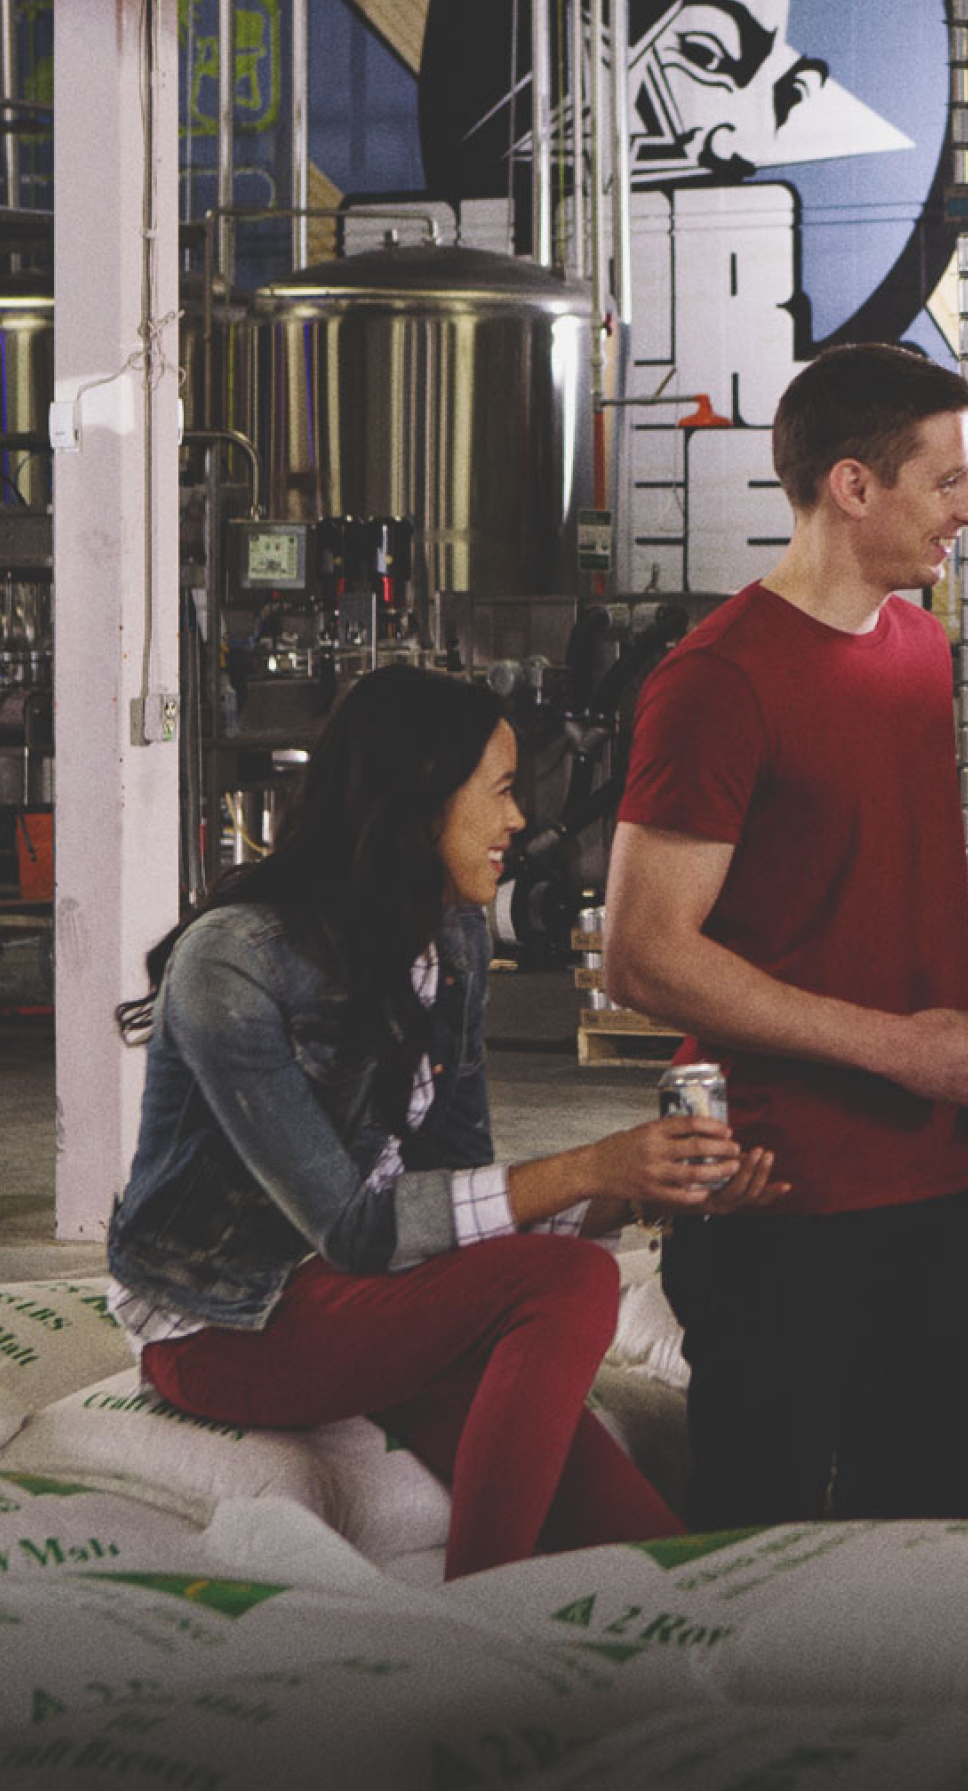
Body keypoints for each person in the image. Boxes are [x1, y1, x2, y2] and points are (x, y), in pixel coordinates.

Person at [108, 666, 783, 1580]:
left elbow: (460, 1196)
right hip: (228, 1326)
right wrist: (596, 1166)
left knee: (655, 1552)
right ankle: (478, 1604)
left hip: (368, 1294)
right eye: (500, 791)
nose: (519, 820)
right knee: (570, 1281)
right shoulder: (231, 964)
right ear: (420, 798)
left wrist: (648, 1191)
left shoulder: (452, 935)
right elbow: (356, 1231)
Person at [604, 341, 968, 1527]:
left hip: (927, 1186)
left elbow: (915, 870)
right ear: (853, 486)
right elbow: (645, 953)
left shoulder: (918, 648)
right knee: (762, 1534)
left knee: (923, 1529)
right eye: (949, 481)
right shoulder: (719, 680)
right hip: (777, 1197)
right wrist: (900, 1048)